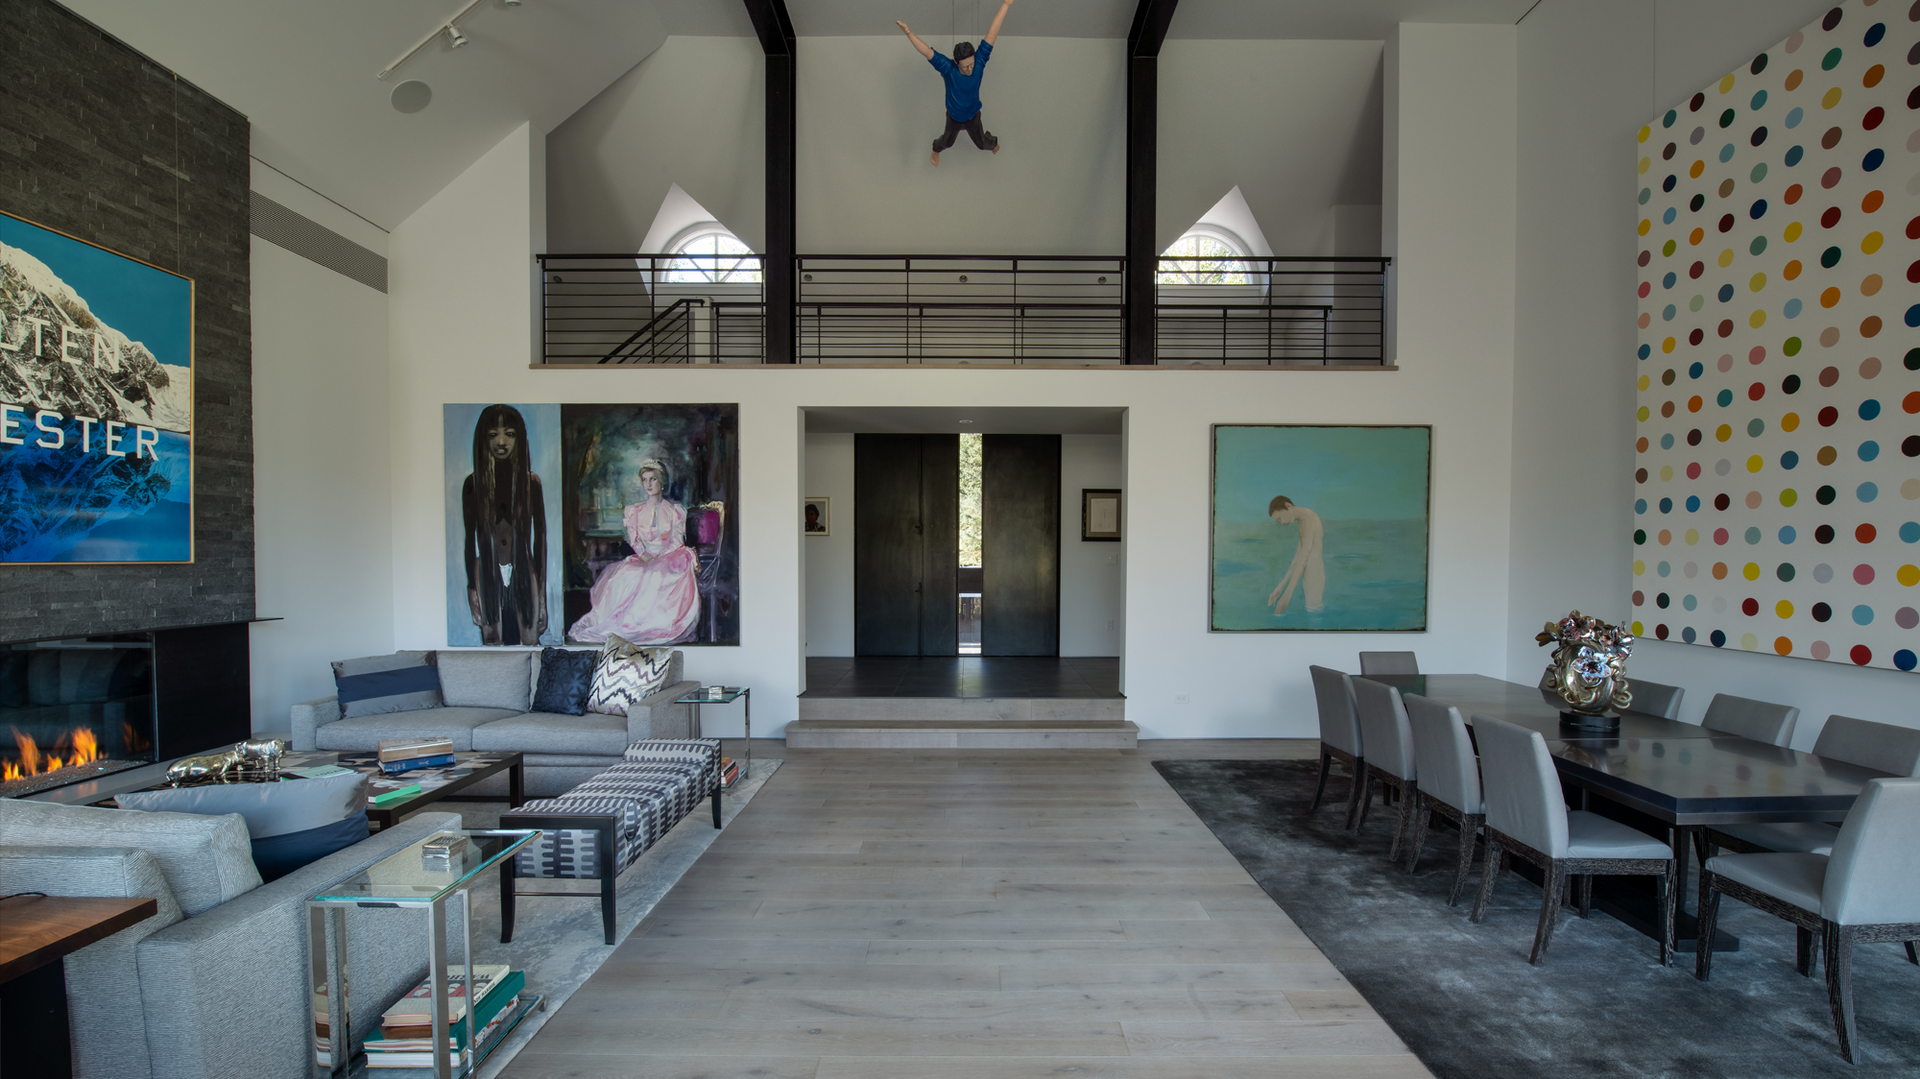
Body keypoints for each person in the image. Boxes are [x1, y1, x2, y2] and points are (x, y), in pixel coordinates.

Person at [568, 459, 701, 644]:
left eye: (653, 479)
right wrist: (644, 554)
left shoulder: (675, 511)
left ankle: (656, 625)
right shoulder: (634, 511)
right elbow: (635, 539)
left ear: (661, 482)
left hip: (669, 557)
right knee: (624, 577)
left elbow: (677, 541)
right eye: (645, 479)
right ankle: (626, 624)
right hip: (644, 557)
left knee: (657, 576)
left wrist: (661, 557)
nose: (648, 484)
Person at [462, 404, 547, 646]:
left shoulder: (531, 484)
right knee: (491, 638)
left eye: (509, 434)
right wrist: (471, 588)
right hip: (486, 569)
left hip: (524, 565)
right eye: (493, 434)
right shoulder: (473, 485)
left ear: (519, 438)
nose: (501, 442)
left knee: (531, 636)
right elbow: (470, 540)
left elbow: (540, 540)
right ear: (483, 439)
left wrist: (541, 596)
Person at [896, 0, 1014, 166]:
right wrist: (908, 32)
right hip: (954, 117)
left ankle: (992, 143)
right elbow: (927, 52)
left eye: (971, 64)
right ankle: (935, 150)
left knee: (982, 144)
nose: (969, 69)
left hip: (973, 115)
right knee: (947, 142)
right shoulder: (948, 69)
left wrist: (1005, 5)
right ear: (956, 63)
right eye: (965, 66)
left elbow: (991, 35)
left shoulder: (979, 62)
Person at [1267, 495, 1325, 615]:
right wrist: (1281, 586)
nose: (1282, 523)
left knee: (1314, 615)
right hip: (1310, 576)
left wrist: (1287, 595)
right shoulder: (1303, 520)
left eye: (1279, 518)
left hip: (1314, 578)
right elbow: (1298, 557)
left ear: (1287, 506)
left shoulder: (1309, 519)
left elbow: (1304, 557)